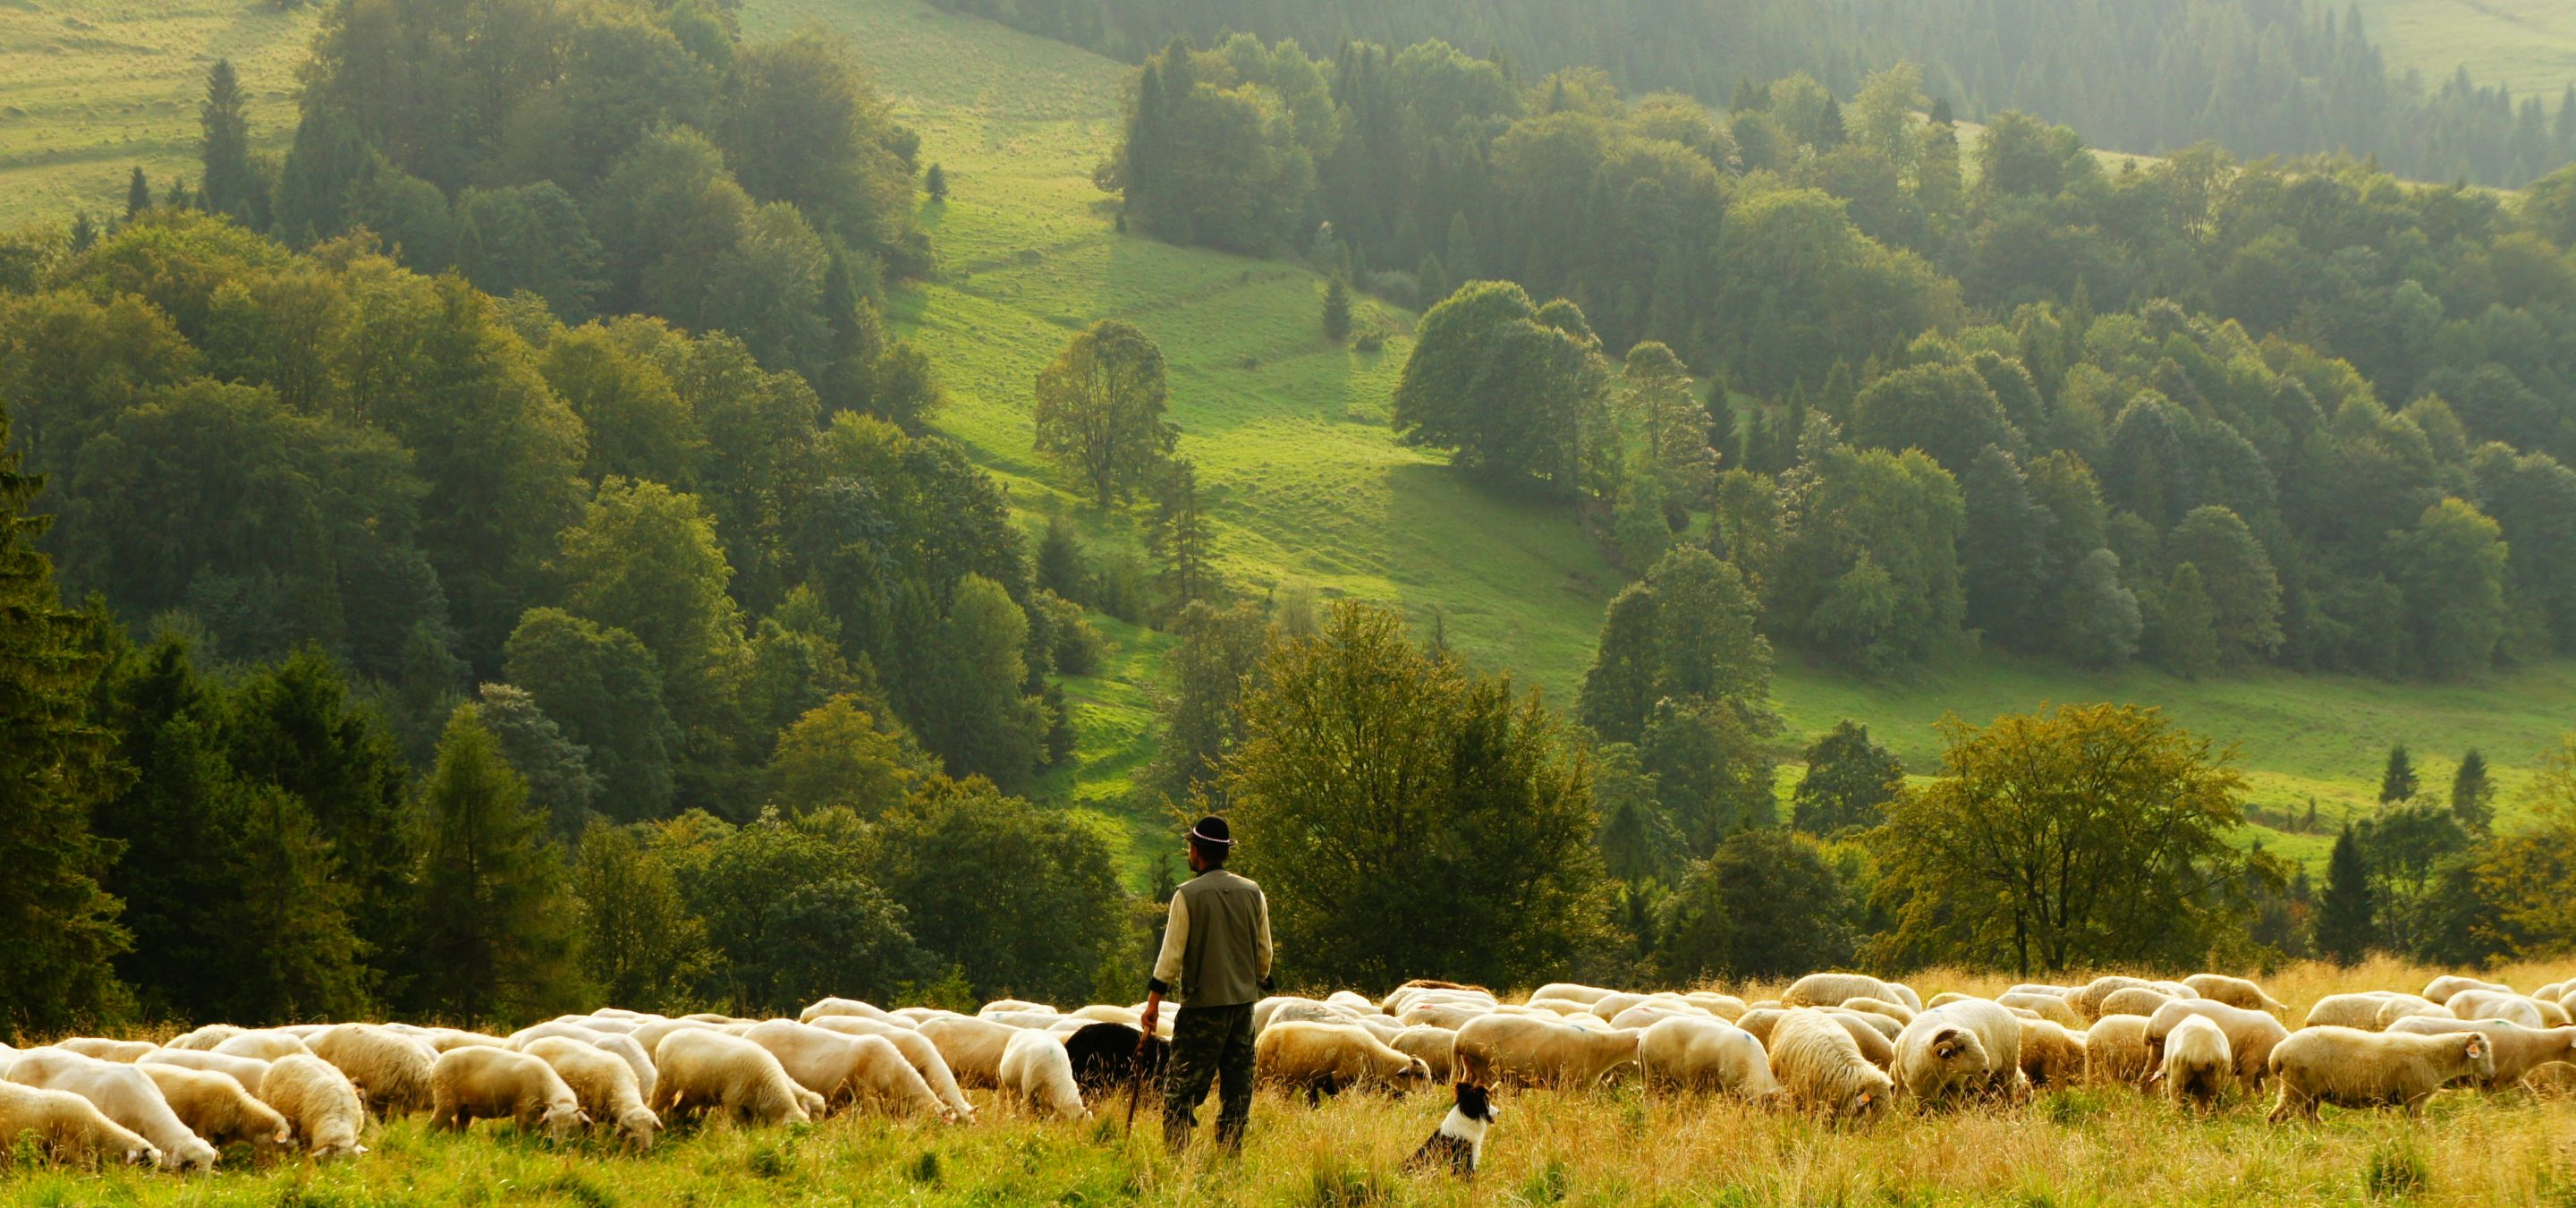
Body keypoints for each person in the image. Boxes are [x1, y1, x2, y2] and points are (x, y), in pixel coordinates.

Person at [1140, 814, 1273, 1153]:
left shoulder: (1187, 895)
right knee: (1237, 1089)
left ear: (1197, 851)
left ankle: (1179, 1159)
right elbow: (1264, 952)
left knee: (1181, 1089)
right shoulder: (1252, 892)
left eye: (1189, 846)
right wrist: (1256, 980)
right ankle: (1230, 1156)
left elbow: (1170, 956)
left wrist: (1153, 1003)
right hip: (1243, 1008)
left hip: (1202, 1010)